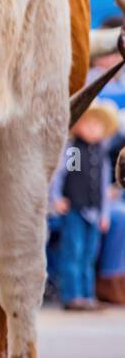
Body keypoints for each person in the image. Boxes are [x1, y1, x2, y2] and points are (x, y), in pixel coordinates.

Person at [51, 100, 119, 310]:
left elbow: (102, 185)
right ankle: (72, 295)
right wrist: (55, 198)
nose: (92, 129)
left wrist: (105, 213)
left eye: (96, 125)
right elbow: (62, 175)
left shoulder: (101, 155)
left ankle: (88, 295)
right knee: (73, 251)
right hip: (75, 208)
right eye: (87, 123)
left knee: (89, 254)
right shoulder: (74, 151)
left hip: (94, 210)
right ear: (77, 125)